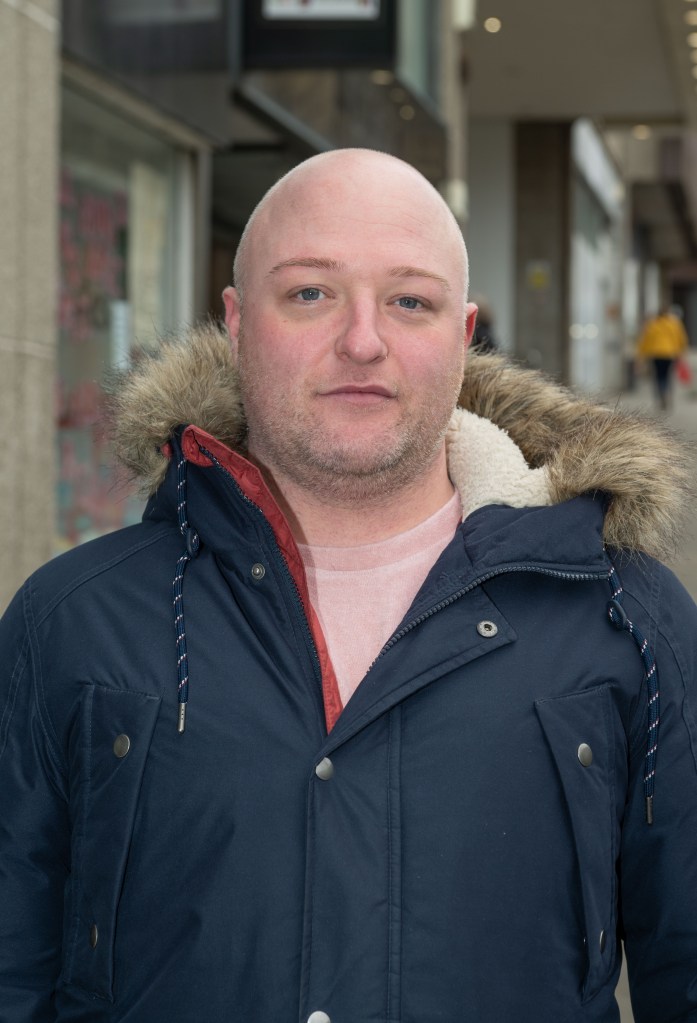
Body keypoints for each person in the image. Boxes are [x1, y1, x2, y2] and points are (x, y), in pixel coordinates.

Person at [1, 148, 697, 1023]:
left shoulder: (628, 619)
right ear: (236, 323)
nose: (363, 340)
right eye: (310, 293)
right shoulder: (70, 622)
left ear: (464, 331)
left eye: (410, 300)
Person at [636, 305, 689, 410]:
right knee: (668, 376)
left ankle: (661, 395)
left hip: (656, 354)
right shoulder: (674, 324)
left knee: (659, 376)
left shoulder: (653, 324)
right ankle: (668, 395)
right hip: (670, 353)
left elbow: (646, 340)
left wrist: (641, 355)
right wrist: (682, 352)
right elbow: (681, 338)